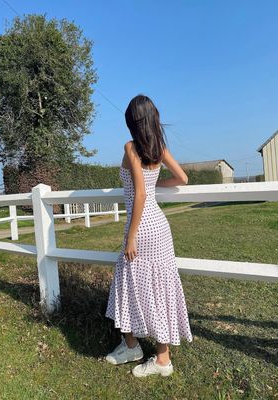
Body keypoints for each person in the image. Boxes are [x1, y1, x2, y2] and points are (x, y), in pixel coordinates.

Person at [105, 94, 193, 377]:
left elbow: (140, 193)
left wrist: (131, 237)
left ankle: (133, 346)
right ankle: (161, 357)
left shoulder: (131, 147)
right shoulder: (159, 148)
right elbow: (182, 178)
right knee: (160, 289)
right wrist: (158, 186)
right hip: (160, 227)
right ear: (153, 118)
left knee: (130, 285)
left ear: (132, 122)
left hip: (141, 228)